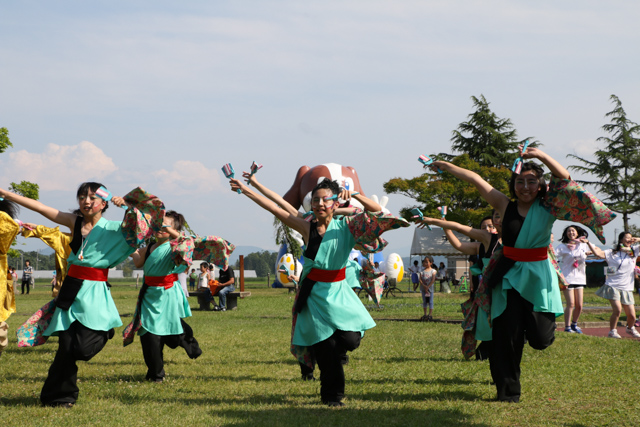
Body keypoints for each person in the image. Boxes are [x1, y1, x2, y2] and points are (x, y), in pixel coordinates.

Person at [430, 145, 615, 402]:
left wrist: (539, 155)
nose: (525, 187)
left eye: (531, 182)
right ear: (513, 185)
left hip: (539, 274)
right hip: (506, 275)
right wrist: (445, 166)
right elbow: (475, 179)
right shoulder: (504, 205)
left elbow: (564, 179)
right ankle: (508, 392)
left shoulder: (548, 206)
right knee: (506, 336)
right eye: (520, 182)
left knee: (541, 338)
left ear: (540, 186)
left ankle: (528, 329)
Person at [229, 176, 408, 406]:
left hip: (340, 292)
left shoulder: (347, 226)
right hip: (314, 295)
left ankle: (329, 355)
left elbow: (379, 213)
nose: (320, 204)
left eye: (325, 200)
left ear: (335, 203)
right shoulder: (306, 226)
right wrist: (247, 188)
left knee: (350, 340)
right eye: (315, 200)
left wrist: (353, 195)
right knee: (328, 353)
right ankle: (332, 397)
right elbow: (274, 206)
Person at [0, 182, 163, 407]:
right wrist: (5, 193)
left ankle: (105, 331)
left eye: (92, 198)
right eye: (82, 197)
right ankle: (58, 398)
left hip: (95, 290)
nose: (86, 201)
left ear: (104, 202)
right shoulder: (74, 222)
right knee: (66, 348)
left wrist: (128, 207)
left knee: (83, 350)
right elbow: (41, 208)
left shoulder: (118, 228)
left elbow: (150, 223)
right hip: (71, 288)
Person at [123, 210, 233, 382]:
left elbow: (186, 242)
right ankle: (155, 374)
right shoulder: (151, 247)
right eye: (158, 223)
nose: (160, 226)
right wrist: (130, 248)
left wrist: (171, 231)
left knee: (172, 332)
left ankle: (188, 341)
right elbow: (138, 261)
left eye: (165, 224)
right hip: (149, 295)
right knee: (148, 335)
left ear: (174, 230)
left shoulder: (178, 247)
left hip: (167, 294)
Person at [588, 231, 640, 338]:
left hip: (627, 287)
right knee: (617, 310)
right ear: (621, 240)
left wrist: (638, 239)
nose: (629, 240)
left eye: (631, 238)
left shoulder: (634, 251)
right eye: (627, 238)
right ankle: (612, 331)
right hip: (613, 285)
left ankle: (630, 328)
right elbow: (598, 254)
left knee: (632, 316)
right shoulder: (612, 252)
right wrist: (588, 243)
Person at [555, 225, 592, 334]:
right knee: (570, 303)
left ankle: (574, 324)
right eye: (568, 231)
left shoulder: (583, 245)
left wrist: (589, 249)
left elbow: (596, 251)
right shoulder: (562, 246)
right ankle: (567, 327)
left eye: (573, 231)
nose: (571, 233)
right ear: (566, 234)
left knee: (579, 305)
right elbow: (553, 255)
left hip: (580, 278)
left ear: (577, 233)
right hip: (567, 278)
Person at [418, 256, 437, 321]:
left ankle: (430, 314)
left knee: (430, 301)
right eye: (424, 262)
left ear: (431, 263)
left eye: (427, 262)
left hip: (430, 289)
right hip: (423, 289)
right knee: (425, 301)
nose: (425, 263)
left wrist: (428, 286)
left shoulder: (433, 271)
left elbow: (433, 280)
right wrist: (424, 286)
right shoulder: (422, 271)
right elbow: (420, 279)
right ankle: (425, 314)